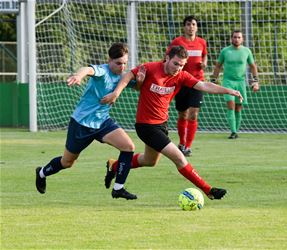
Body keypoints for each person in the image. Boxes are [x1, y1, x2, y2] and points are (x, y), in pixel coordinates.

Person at [101, 45, 243, 200]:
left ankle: (114, 166)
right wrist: (116, 93)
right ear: (167, 58)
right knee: (180, 158)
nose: (178, 68)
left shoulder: (181, 76)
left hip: (161, 125)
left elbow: (203, 85)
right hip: (146, 125)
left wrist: (228, 90)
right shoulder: (150, 68)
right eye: (176, 63)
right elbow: (128, 75)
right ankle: (209, 190)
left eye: (182, 65)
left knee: (149, 161)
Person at [35, 42, 139, 200]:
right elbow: (87, 69)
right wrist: (78, 75)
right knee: (67, 162)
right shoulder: (102, 71)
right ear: (109, 60)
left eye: (125, 63)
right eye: (118, 63)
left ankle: (118, 188)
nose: (122, 67)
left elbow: (137, 86)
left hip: (103, 122)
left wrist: (142, 80)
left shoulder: (123, 76)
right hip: (81, 124)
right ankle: (42, 172)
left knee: (128, 147)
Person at [166, 15, 208, 157]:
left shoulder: (202, 42)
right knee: (183, 114)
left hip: (197, 81)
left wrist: (204, 63)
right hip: (181, 81)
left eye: (194, 24)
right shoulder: (177, 42)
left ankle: (187, 146)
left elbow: (204, 56)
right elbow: (167, 57)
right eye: (188, 24)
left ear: (197, 27)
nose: (191, 27)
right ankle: (182, 142)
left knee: (193, 114)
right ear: (184, 27)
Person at [211, 30, 260, 139]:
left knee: (238, 108)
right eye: (234, 37)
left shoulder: (246, 51)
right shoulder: (225, 51)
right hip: (228, 82)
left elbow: (252, 66)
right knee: (230, 105)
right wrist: (213, 80)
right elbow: (218, 66)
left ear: (242, 39)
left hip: (241, 82)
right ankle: (233, 131)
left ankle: (236, 131)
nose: (236, 39)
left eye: (239, 37)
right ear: (231, 38)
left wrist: (255, 80)